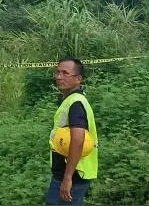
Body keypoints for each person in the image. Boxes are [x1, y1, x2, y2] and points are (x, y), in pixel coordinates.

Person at [47, 59, 98, 205]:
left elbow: (78, 139)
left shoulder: (75, 103)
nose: (59, 77)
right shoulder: (73, 100)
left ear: (78, 79)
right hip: (71, 174)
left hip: (72, 175)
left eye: (65, 73)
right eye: (57, 72)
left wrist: (67, 177)